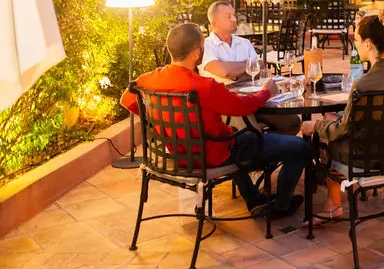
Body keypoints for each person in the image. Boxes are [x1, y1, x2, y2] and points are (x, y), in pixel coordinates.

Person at [120, 23, 308, 219]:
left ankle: (254, 200)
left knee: (228, 134)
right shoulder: (204, 86)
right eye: (203, 45)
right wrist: (267, 92)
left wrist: (160, 125)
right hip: (214, 155)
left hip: (179, 154)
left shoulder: (146, 80)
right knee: (299, 146)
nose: (204, 49)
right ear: (195, 52)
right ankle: (280, 207)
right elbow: (241, 107)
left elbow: (127, 100)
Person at [301, 3, 384, 221]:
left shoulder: (364, 84)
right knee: (331, 119)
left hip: (369, 157)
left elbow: (344, 130)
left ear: (369, 44)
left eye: (357, 41)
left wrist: (314, 126)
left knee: (328, 138)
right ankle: (333, 200)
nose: (355, 45)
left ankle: (333, 204)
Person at [201, 1, 299, 134]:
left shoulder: (244, 42)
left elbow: (260, 67)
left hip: (255, 99)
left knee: (293, 122)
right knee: (251, 132)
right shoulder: (206, 45)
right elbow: (223, 70)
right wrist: (246, 67)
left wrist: (234, 72)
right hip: (229, 106)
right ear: (214, 23)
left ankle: (264, 150)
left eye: (234, 15)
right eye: (228, 16)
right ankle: (257, 146)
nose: (234, 19)